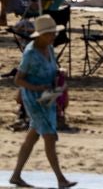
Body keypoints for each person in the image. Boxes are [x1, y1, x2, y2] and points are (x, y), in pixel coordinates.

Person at [12, 17, 72, 189]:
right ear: (41, 35)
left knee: (33, 136)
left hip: (48, 96)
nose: (53, 37)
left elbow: (51, 68)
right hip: (34, 99)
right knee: (49, 136)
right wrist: (37, 87)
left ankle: (16, 176)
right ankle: (61, 179)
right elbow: (18, 80)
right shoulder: (30, 54)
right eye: (50, 34)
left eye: (54, 34)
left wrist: (59, 72)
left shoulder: (49, 48)